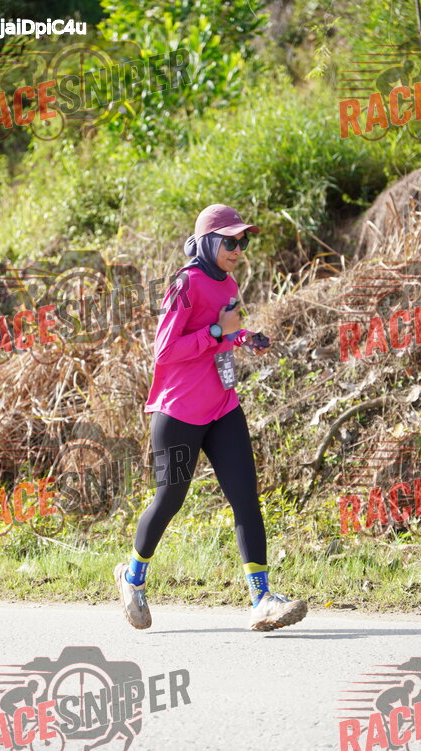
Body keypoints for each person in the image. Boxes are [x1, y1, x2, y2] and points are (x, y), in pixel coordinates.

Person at [114, 204, 308, 632]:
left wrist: (243, 337)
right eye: (229, 241)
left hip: (222, 407)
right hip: (179, 412)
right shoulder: (184, 284)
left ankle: (261, 599)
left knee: (245, 498)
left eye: (243, 241)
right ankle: (132, 577)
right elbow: (165, 351)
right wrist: (218, 333)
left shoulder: (229, 283)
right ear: (205, 242)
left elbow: (223, 332)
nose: (238, 248)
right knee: (170, 499)